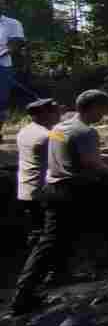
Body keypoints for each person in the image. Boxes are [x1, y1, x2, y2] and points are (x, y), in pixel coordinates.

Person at [10, 90, 108, 317]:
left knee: (48, 245)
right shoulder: (86, 131)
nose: (105, 114)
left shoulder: (58, 129)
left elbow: (72, 154)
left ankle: (22, 296)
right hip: (82, 191)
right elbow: (93, 164)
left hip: (55, 190)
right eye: (104, 109)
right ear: (94, 107)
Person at [15, 99, 60, 252]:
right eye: (55, 112)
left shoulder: (23, 131)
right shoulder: (49, 135)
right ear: (44, 114)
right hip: (42, 191)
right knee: (49, 236)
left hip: (26, 189)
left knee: (36, 232)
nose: (58, 115)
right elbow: (72, 154)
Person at [0, 0, 27, 143]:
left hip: (2, 66)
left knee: (1, 101)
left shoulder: (12, 23)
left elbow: (16, 44)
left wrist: (2, 54)